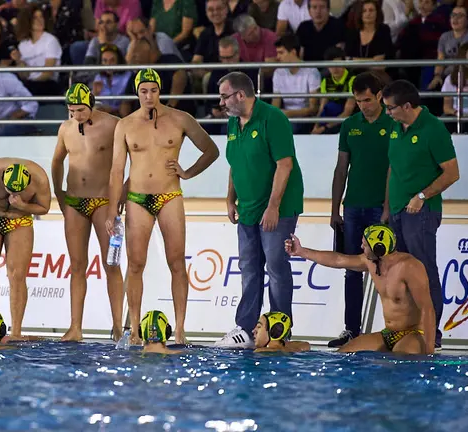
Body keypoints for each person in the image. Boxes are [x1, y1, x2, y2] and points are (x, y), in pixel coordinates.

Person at [106, 68, 220, 345]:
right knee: (135, 264)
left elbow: (211, 150)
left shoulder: (180, 119)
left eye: (153, 90)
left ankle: (180, 330)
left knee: (177, 262)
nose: (149, 96)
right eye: (143, 91)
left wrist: (187, 172)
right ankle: (134, 329)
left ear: (160, 91)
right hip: (137, 199)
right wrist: (112, 210)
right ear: (137, 93)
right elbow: (116, 170)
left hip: (169, 195)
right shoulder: (125, 125)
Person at [214, 71, 304, 349]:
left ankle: (279, 329)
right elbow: (235, 162)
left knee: (276, 266)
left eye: (224, 96)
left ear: (241, 95)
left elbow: (285, 164)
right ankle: (246, 329)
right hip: (248, 208)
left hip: (278, 207)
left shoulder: (273, 119)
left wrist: (273, 206)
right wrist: (230, 199)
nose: (221, 102)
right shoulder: (232, 123)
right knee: (249, 268)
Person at [382, 79, 460, 351]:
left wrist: (422, 196)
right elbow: (394, 167)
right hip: (397, 211)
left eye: (391, 108)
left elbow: (452, 173)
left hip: (421, 211)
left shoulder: (433, 129)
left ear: (407, 105)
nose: (387, 113)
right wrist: (387, 205)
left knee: (423, 272)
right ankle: (408, 331)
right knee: (400, 272)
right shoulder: (395, 127)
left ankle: (432, 334)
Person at [285, 224, 436, 355]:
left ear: (378, 248)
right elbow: (338, 260)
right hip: (389, 333)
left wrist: (429, 351)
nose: (361, 247)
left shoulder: (410, 267)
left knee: (399, 362)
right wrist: (301, 251)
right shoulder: (370, 261)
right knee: (343, 356)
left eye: (365, 244)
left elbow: (427, 308)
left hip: (414, 334)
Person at [52, 83, 124, 342]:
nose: (76, 116)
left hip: (104, 202)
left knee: (111, 264)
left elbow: (131, 161)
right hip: (74, 202)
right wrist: (58, 191)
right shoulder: (65, 129)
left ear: (92, 105)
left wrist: (122, 194)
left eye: (81, 110)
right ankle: (75, 327)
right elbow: (57, 161)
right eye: (72, 111)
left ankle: (118, 326)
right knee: (77, 266)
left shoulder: (114, 125)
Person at [328, 72, 392, 348]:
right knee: (352, 270)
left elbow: (395, 169)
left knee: (387, 269)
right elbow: (341, 168)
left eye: (367, 100)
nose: (363, 106)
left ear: (379, 96)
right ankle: (351, 329)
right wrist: (334, 208)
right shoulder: (349, 126)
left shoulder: (393, 124)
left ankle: (394, 329)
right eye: (358, 101)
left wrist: (388, 208)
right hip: (353, 206)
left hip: (380, 206)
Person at [0, 159, 52, 341]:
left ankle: (15, 332)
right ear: (3, 179)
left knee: (17, 275)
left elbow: (44, 208)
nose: (13, 194)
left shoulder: (39, 178)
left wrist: (23, 206)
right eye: (9, 190)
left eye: (18, 191)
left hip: (20, 221)